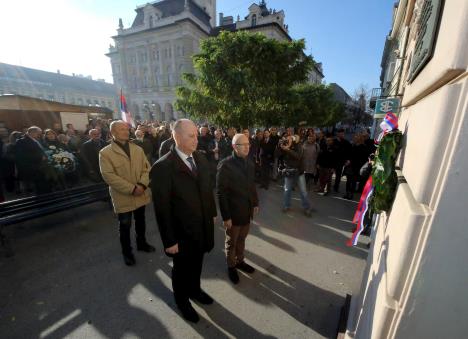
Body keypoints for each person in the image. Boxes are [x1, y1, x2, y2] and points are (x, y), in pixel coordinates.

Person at [150, 118, 217, 323]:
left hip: (201, 226)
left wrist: (212, 213)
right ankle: (182, 301)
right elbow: (162, 208)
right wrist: (169, 241)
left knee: (197, 262)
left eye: (197, 135)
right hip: (181, 232)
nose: (196, 140)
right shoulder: (163, 167)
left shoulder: (200, 158)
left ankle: (195, 291)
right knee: (181, 269)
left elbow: (207, 191)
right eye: (191, 136)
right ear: (176, 136)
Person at [99, 121, 155, 266]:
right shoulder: (105, 153)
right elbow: (108, 176)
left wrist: (142, 185)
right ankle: (127, 252)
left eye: (126, 129)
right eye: (121, 129)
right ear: (113, 133)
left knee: (141, 221)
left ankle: (141, 243)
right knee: (125, 225)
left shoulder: (137, 149)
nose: (126, 131)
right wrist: (132, 189)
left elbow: (147, 168)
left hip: (141, 192)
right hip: (123, 196)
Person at [217, 133, 259, 284]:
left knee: (242, 238)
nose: (248, 147)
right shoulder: (225, 165)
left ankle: (240, 261)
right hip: (233, 213)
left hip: (246, 211)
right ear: (234, 147)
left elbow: (251, 185)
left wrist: (255, 202)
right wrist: (226, 216)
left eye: (248, 144)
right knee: (232, 242)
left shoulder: (249, 162)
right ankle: (231, 266)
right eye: (244, 145)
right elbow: (221, 193)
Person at [279, 134, 313, 216]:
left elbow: (298, 156)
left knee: (303, 191)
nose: (288, 140)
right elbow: (277, 155)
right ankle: (286, 205)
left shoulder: (298, 145)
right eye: (287, 139)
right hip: (288, 171)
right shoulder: (283, 146)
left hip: (299, 171)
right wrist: (279, 146)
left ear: (293, 139)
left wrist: (288, 149)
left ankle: (306, 207)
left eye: (290, 139)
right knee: (287, 190)